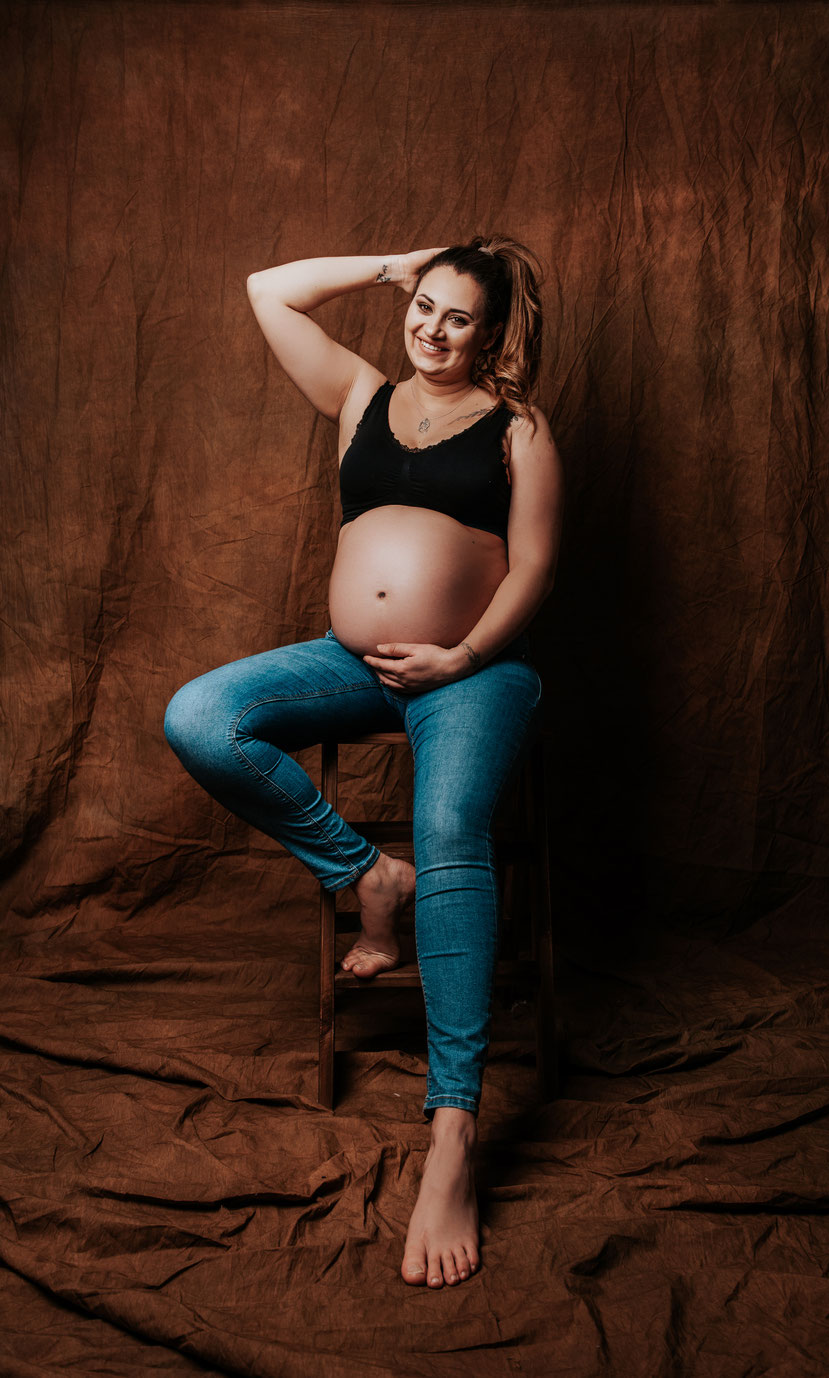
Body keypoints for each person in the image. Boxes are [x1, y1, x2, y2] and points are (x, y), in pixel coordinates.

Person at [163, 235, 564, 1290]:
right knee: (201, 717)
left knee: (447, 832)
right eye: (422, 308)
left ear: (492, 333)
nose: (431, 330)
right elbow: (265, 285)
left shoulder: (519, 429)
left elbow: (535, 566)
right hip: (354, 662)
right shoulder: (360, 395)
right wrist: (395, 262)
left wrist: (463, 653)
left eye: (456, 317)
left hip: (473, 669)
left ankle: (452, 1131)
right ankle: (359, 874)